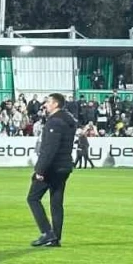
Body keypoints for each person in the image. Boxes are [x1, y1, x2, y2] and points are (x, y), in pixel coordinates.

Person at [28, 92, 76, 247]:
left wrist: (40, 170)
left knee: (33, 198)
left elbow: (50, 149)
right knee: (56, 202)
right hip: (64, 166)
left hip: (53, 167)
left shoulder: (54, 122)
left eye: (48, 102)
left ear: (56, 104)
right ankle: (55, 238)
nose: (45, 104)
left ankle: (47, 232)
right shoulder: (68, 121)